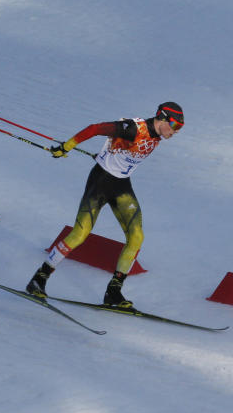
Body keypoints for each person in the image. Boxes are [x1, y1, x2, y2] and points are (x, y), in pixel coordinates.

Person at [25, 102, 184, 307]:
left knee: (136, 237)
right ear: (161, 118)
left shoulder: (157, 135)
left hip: (121, 186)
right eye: (175, 126)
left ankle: (113, 292)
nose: (175, 132)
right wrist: (66, 147)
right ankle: (38, 279)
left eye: (180, 128)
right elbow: (95, 129)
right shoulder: (133, 128)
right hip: (100, 182)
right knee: (80, 234)